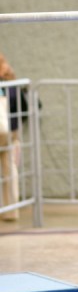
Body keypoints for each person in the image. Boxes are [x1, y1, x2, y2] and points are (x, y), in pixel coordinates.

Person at [0, 54, 21, 222]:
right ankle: (11, 211)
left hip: (5, 130)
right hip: (11, 131)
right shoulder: (11, 80)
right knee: (10, 169)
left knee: (10, 168)